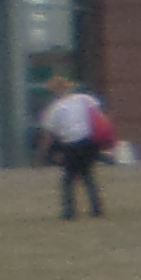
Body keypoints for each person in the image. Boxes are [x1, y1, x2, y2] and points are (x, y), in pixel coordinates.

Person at [40, 73, 108, 218]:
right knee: (87, 175)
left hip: (71, 144)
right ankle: (96, 208)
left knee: (68, 179)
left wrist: (43, 153)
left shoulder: (54, 108)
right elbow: (99, 115)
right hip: (89, 141)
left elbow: (48, 135)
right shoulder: (85, 98)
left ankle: (69, 211)